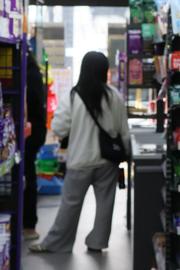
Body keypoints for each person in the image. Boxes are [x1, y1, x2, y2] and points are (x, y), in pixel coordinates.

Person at [29, 51, 130, 253]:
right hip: (107, 161)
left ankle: (57, 244)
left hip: (79, 161)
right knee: (105, 205)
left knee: (70, 204)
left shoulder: (72, 96)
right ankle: (97, 243)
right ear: (104, 70)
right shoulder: (114, 96)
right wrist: (126, 155)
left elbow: (59, 128)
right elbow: (124, 132)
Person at [23, 49, 47, 240]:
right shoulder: (32, 71)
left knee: (27, 176)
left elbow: (32, 100)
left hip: (31, 132)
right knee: (27, 175)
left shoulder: (28, 73)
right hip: (35, 130)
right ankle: (28, 224)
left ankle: (29, 225)